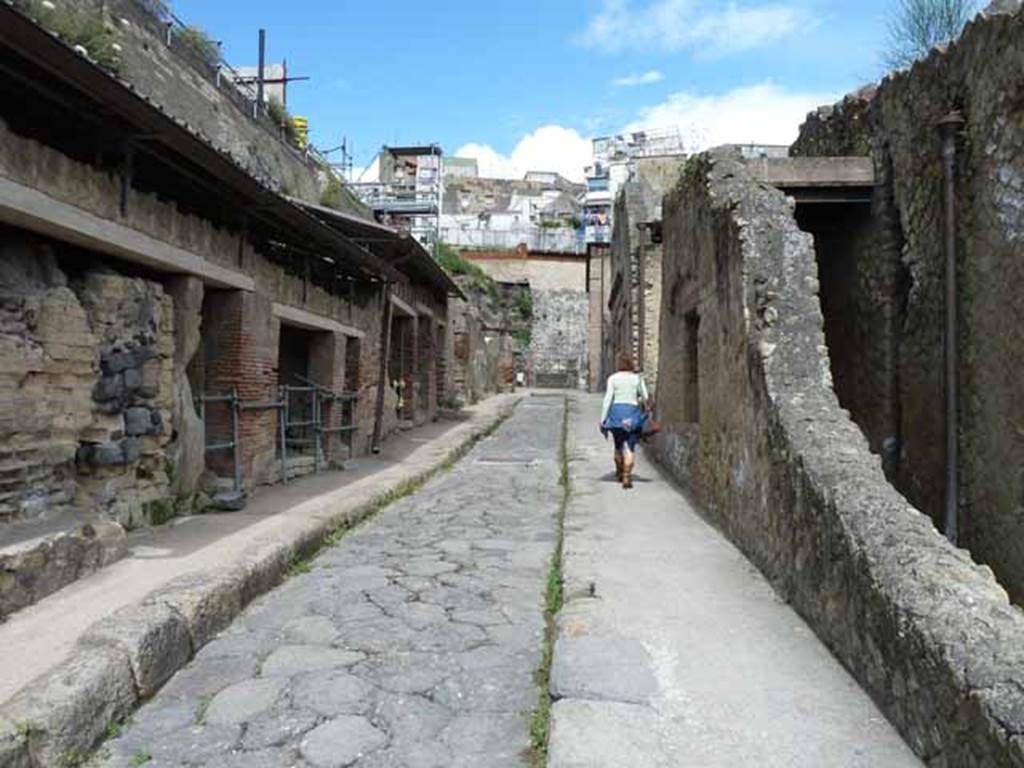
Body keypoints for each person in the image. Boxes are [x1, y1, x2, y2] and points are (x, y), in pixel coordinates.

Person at [600, 352, 649, 489]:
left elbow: (607, 400)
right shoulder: (637, 379)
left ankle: (619, 471)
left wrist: (603, 419)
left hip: (616, 414)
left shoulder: (613, 379)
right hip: (632, 414)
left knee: (618, 444)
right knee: (630, 446)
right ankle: (627, 476)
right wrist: (637, 398)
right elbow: (645, 396)